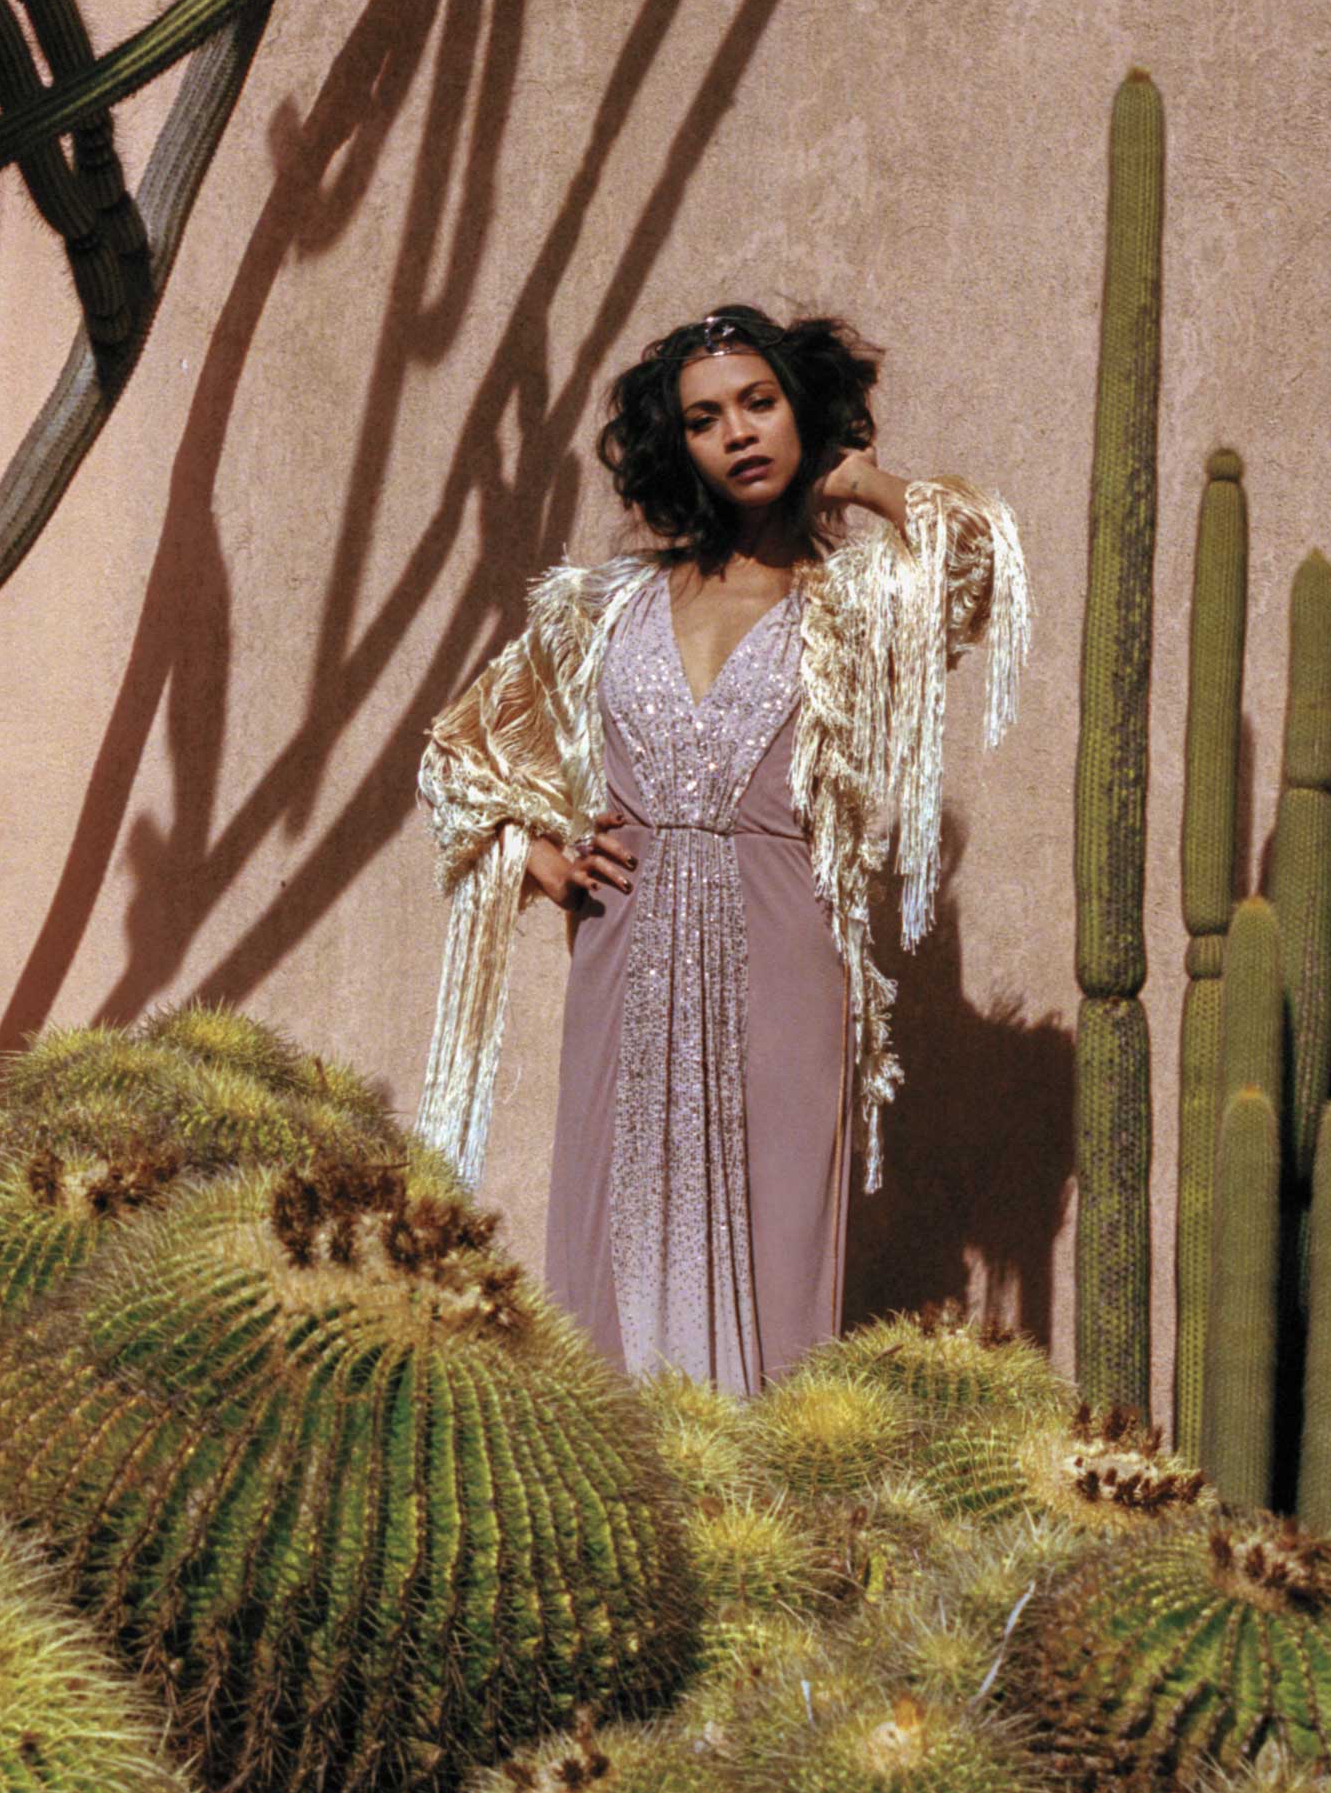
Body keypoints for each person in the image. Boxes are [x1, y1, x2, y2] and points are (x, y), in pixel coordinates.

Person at [412, 306, 1026, 1391]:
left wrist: (860, 480)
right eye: (705, 419)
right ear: (677, 445)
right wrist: (538, 856)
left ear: (803, 412)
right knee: (611, 1235)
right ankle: (615, 1484)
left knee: (776, 1243)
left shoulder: (856, 606)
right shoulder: (602, 607)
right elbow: (460, 753)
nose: (738, 433)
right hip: (625, 957)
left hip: (786, 959)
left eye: (760, 403)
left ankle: (751, 1490)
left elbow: (978, 566)